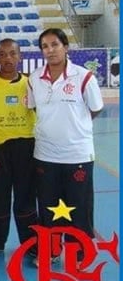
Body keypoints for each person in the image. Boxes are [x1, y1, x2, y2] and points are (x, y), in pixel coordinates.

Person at [26, 28, 103, 266]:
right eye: (45, 46)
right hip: (45, 155)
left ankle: (80, 251)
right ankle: (50, 249)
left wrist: (74, 128)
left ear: (66, 47)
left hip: (77, 154)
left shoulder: (84, 77)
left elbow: (96, 108)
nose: (50, 50)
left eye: (55, 44)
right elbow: (34, 108)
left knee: (79, 206)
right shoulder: (34, 78)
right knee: (49, 207)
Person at [0, 39, 38, 258]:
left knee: (26, 197)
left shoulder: (31, 84)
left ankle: (32, 243)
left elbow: (38, 114)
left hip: (26, 147)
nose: (8, 59)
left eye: (12, 54)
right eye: (2, 54)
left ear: (20, 56)